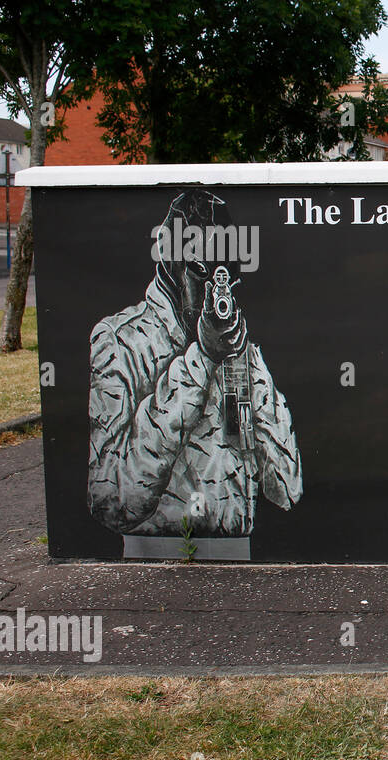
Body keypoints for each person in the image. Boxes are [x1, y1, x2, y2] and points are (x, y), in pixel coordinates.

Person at [87, 190, 301, 553]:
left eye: (226, 278)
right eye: (200, 272)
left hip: (238, 550)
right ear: (171, 263)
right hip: (155, 555)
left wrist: (244, 364)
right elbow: (112, 498)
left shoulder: (232, 341)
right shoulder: (121, 340)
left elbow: (286, 488)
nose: (212, 293)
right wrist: (201, 359)